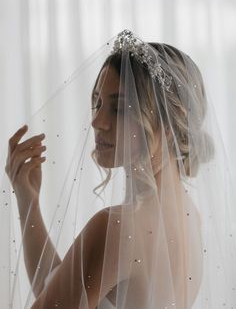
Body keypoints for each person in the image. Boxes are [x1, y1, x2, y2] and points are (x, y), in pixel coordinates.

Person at [2, 30, 236, 308]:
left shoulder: (117, 228)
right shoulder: (188, 215)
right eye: (98, 103)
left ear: (171, 122)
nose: (97, 122)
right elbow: (62, 288)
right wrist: (28, 199)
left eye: (120, 108)